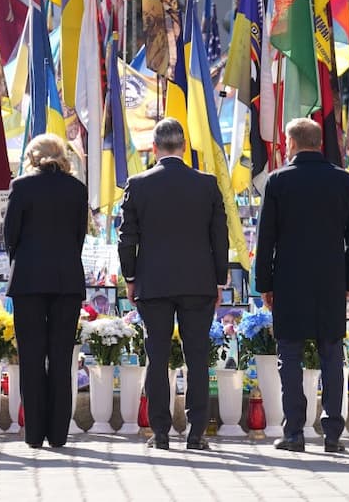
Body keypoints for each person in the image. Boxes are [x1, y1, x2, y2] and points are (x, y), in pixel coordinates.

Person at [118, 117, 227, 452]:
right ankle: (196, 433)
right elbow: (219, 238)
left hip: (154, 281)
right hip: (198, 282)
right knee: (197, 358)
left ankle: (161, 432)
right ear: (183, 147)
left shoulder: (137, 184)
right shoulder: (207, 184)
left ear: (154, 148)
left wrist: (131, 277)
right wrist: (220, 280)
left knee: (157, 355)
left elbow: (127, 239)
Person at [255, 118, 349, 454]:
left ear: (291, 142)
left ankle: (294, 433)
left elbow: (266, 239)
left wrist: (264, 284)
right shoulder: (345, 181)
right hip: (330, 281)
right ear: (318, 142)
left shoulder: (278, 181)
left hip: (289, 281)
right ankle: (332, 433)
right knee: (332, 354)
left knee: (290, 356)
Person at [4, 133, 87, 449]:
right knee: (62, 357)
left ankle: (35, 433)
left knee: (32, 357)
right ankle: (58, 433)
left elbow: (11, 234)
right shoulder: (77, 189)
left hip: (28, 281)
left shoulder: (22, 187)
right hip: (67, 281)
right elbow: (79, 235)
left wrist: (23, 260)